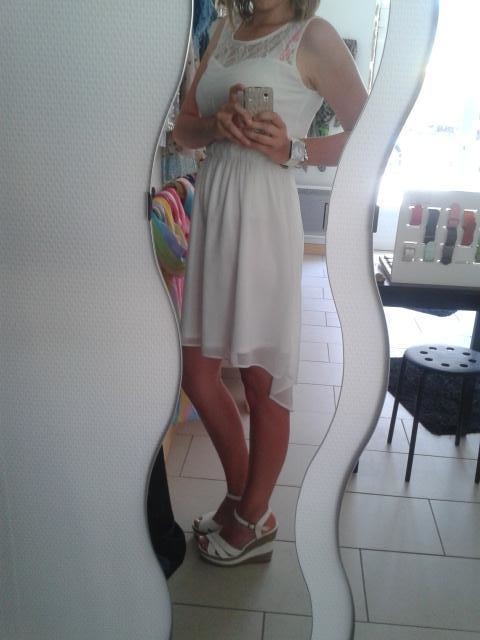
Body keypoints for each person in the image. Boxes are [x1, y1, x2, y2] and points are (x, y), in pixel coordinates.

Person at [172, 0, 367, 567]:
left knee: (261, 381)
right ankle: (243, 497)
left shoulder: (314, 36)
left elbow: (372, 131)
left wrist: (293, 149)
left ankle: (253, 516)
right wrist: (215, 125)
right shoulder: (224, 30)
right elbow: (183, 128)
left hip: (264, 216)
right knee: (197, 374)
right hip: (215, 210)